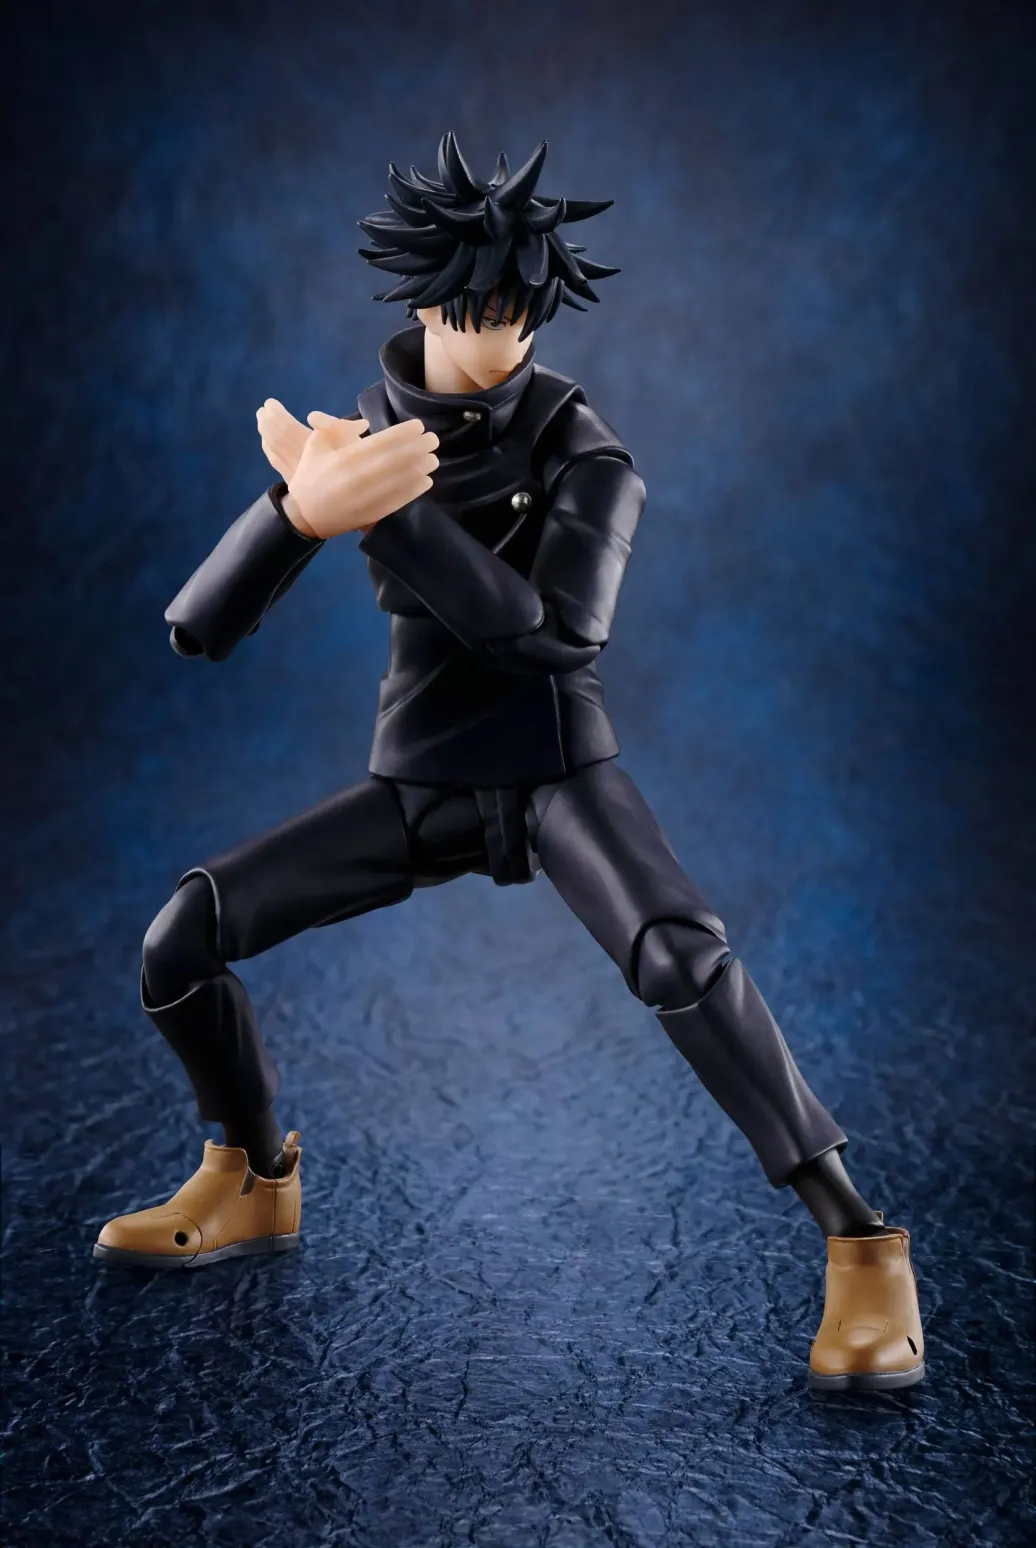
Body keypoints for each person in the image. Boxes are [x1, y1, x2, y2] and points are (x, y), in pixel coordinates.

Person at [94, 133, 923, 1393]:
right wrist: (296, 512)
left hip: (553, 770)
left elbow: (556, 637)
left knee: (679, 958)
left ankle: (861, 1242)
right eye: (478, 308)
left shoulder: (585, 453)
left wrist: (389, 518)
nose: (501, 334)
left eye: (522, 311)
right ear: (425, 300)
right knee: (181, 938)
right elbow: (196, 629)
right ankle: (252, 1175)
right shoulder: (365, 433)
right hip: (420, 776)